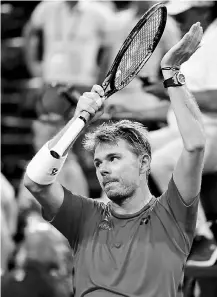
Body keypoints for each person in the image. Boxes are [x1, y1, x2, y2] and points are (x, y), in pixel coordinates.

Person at [24, 23, 205, 297]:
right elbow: (36, 182)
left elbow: (194, 145)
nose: (104, 169)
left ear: (144, 163)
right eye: (98, 163)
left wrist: (171, 73)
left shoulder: (172, 216)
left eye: (114, 158)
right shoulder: (85, 217)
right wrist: (78, 121)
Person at [149, 0, 217, 266]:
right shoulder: (193, 45)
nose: (178, 21)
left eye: (183, 14)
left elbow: (216, 100)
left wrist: (168, 87)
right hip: (185, 129)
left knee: (163, 163)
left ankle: (201, 239)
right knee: (131, 149)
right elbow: (182, 103)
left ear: (203, 10)